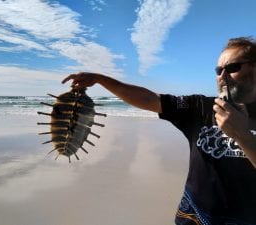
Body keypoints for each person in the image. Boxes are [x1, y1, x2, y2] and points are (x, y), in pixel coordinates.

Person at [62, 37, 256, 225]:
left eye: (232, 68)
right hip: (192, 216)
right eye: (218, 70)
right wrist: (99, 78)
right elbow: (150, 100)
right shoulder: (201, 107)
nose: (222, 76)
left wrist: (243, 136)